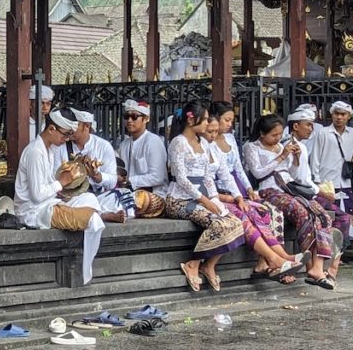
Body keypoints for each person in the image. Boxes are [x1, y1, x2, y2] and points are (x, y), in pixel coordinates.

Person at [202, 115, 301, 288]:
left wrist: (241, 195)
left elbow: (228, 172)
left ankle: (278, 257)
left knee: (262, 210)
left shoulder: (216, 145)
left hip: (230, 193)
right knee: (244, 217)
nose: (214, 135)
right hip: (210, 197)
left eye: (216, 131)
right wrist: (227, 197)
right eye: (210, 131)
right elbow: (201, 183)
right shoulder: (189, 146)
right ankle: (275, 258)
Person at [245, 111, 337, 290]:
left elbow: (293, 173)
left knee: (321, 214)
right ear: (262, 133)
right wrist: (281, 156)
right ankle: (308, 266)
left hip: (289, 187)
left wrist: (295, 158)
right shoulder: (252, 147)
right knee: (301, 211)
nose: (278, 138)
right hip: (269, 189)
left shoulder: (282, 146)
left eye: (280, 134)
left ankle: (317, 266)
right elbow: (258, 172)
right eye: (273, 135)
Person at [14, 108, 106, 283]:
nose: (66, 139)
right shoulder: (35, 151)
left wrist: (70, 181)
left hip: (50, 203)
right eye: (65, 135)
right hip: (33, 211)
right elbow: (36, 195)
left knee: (90, 198)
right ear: (51, 129)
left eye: (70, 135)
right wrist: (62, 181)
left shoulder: (49, 150)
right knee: (91, 218)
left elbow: (51, 186)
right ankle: (85, 271)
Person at [164, 101, 246, 293]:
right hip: (180, 199)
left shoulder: (203, 143)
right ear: (192, 119)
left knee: (234, 222)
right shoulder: (178, 143)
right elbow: (182, 179)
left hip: (202, 196)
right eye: (206, 119)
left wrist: (215, 199)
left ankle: (208, 264)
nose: (208, 123)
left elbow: (208, 175)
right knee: (217, 223)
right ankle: (194, 263)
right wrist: (205, 200)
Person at [309, 100, 353, 282]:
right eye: (336, 113)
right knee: (329, 220)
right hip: (326, 184)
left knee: (348, 220)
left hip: (345, 183)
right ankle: (328, 260)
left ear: (349, 116)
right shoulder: (323, 133)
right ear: (332, 115)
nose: (339, 117)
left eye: (343, 114)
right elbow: (315, 157)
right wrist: (316, 181)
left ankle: (339, 256)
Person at [116, 99, 167, 217]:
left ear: (146, 119)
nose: (129, 120)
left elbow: (157, 177)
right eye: (126, 116)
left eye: (134, 117)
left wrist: (130, 180)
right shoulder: (124, 144)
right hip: (130, 193)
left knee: (138, 201)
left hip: (154, 195)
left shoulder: (153, 141)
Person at [62, 110, 117, 194]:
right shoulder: (60, 145)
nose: (70, 127)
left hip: (97, 196)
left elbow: (112, 182)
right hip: (68, 196)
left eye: (75, 124)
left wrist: (95, 175)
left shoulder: (104, 146)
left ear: (87, 126)